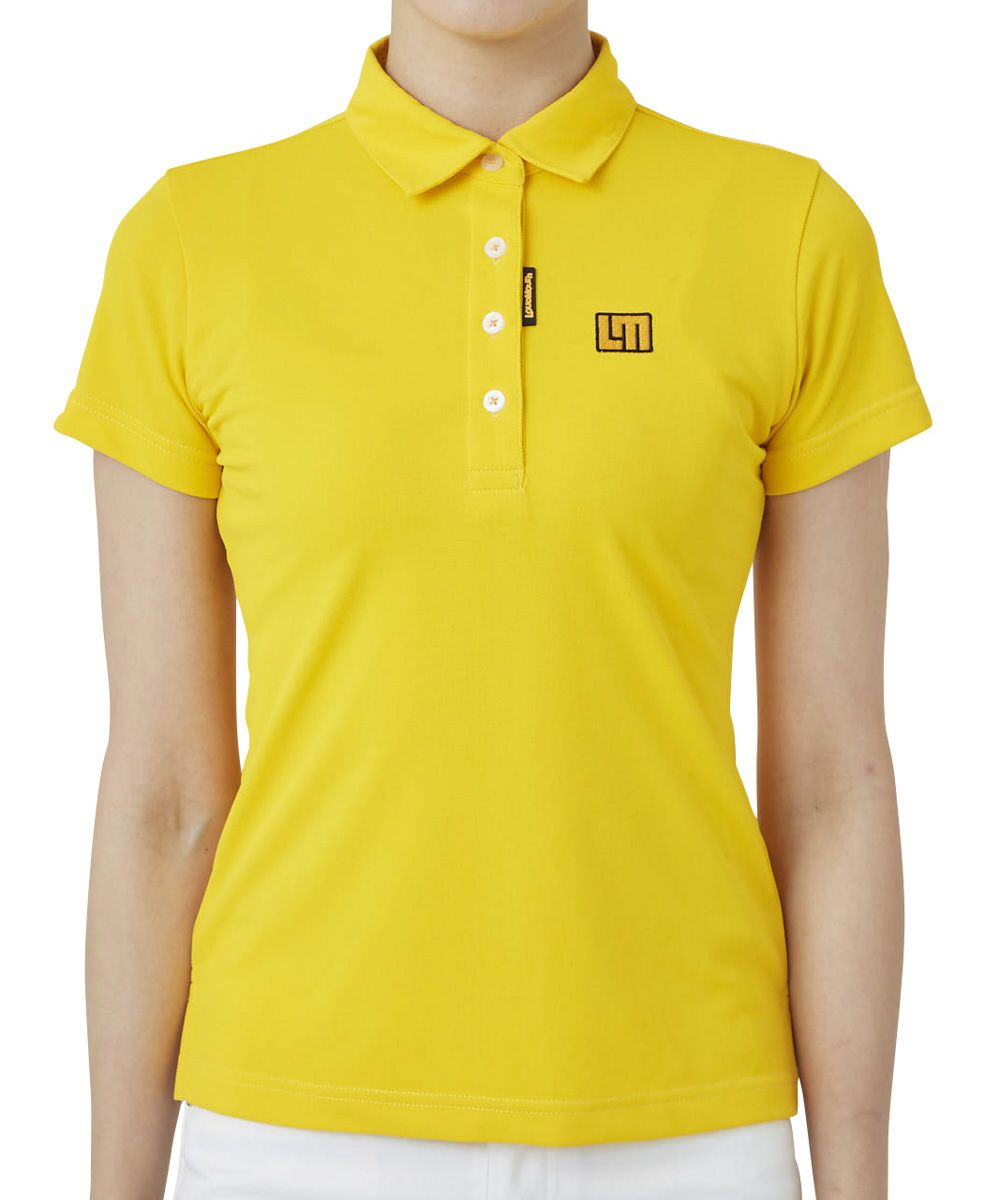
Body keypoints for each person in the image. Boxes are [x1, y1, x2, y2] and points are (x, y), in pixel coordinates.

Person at [54, 1, 932, 1197]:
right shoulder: (189, 243)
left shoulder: (790, 232)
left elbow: (830, 788)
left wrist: (858, 1182)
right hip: (285, 1130)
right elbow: (162, 796)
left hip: (687, 1133)